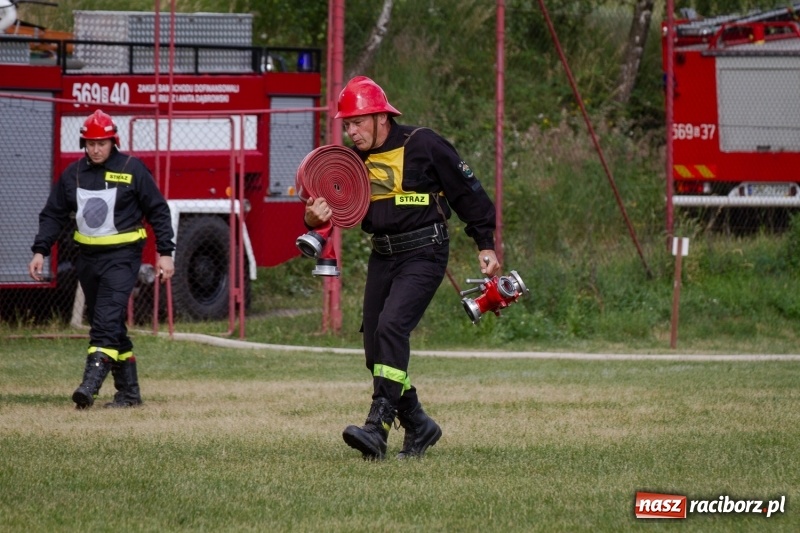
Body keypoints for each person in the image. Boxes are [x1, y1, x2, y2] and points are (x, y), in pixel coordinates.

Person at [304, 76, 501, 460]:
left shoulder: (424, 143)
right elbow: (324, 213)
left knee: (392, 327)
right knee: (375, 351)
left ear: (382, 117)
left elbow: (468, 192)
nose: (352, 131)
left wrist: (485, 243)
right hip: (383, 255)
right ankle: (419, 425)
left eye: (359, 122)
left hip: (426, 252)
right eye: (347, 124)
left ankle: (376, 426)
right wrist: (313, 219)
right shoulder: (350, 161)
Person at [28, 109, 175, 409]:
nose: (96, 149)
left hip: (123, 258)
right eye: (90, 143)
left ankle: (88, 387)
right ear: (84, 143)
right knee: (110, 324)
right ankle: (129, 394)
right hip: (88, 259)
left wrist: (165, 253)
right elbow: (53, 214)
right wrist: (41, 250)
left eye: (102, 143)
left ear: (113, 141)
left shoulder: (133, 169)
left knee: (104, 322)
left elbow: (158, 211)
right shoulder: (73, 174)